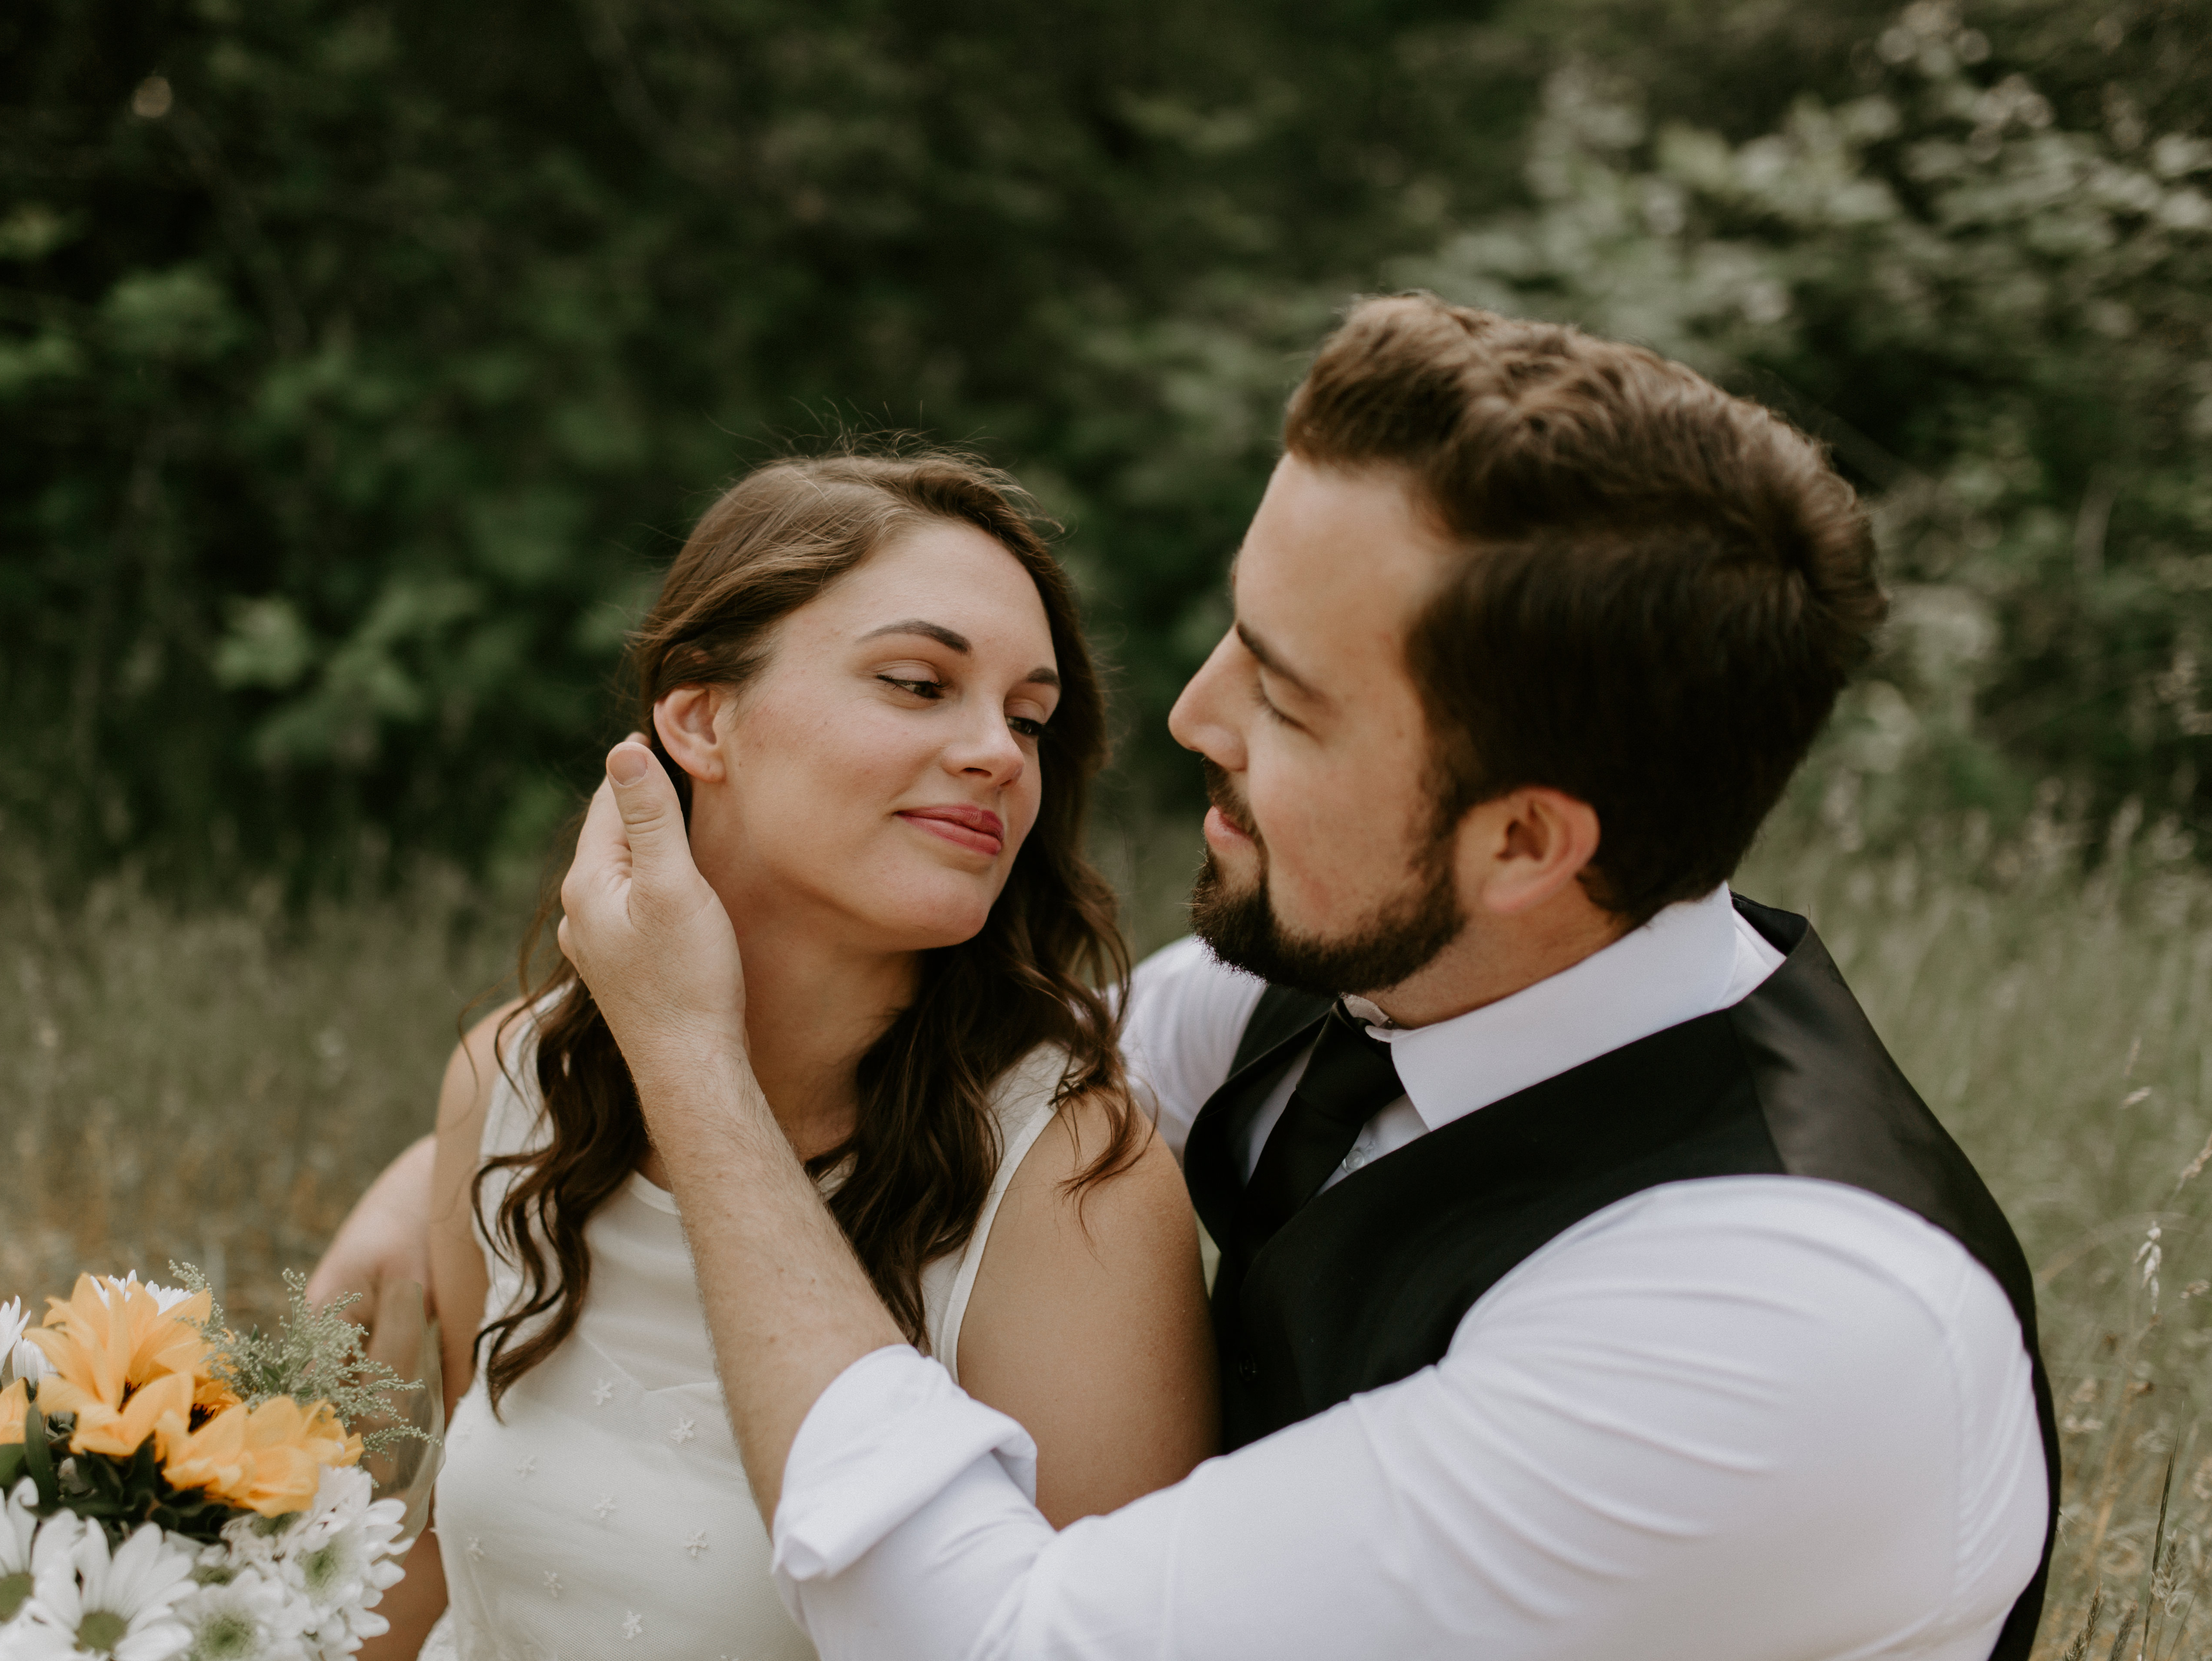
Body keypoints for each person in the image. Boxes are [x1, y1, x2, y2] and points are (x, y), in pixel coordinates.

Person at [540, 296, 2060, 1660]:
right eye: (1236, 636)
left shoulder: (1784, 1331)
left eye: (1290, 697)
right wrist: (508, 1123)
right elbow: (953, 1074)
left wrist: (687, 1065)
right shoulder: (1328, 997)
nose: (1196, 714)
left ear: (1522, 842)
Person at [330, 450, 1218, 1661]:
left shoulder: (1074, 1181)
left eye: (1029, 717)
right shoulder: (512, 1084)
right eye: (919, 683)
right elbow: (453, 1562)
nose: (1001, 756)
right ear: (701, 716)